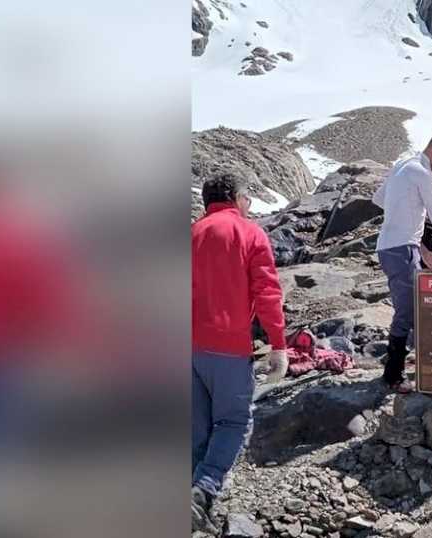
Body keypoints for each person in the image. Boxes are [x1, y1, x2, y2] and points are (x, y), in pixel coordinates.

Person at [191, 172, 289, 532]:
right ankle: (203, 490)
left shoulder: (191, 233)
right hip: (229, 348)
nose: (249, 204)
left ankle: (193, 502)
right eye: (246, 197)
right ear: (235, 197)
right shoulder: (249, 233)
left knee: (197, 427)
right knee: (233, 422)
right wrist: (279, 344)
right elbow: (267, 293)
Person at [371, 129, 432, 392]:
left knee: (414, 307)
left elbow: (378, 198)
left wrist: (403, 211)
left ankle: (414, 364)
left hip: (390, 247)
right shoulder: (424, 174)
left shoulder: (403, 165)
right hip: (403, 248)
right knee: (408, 310)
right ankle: (393, 376)